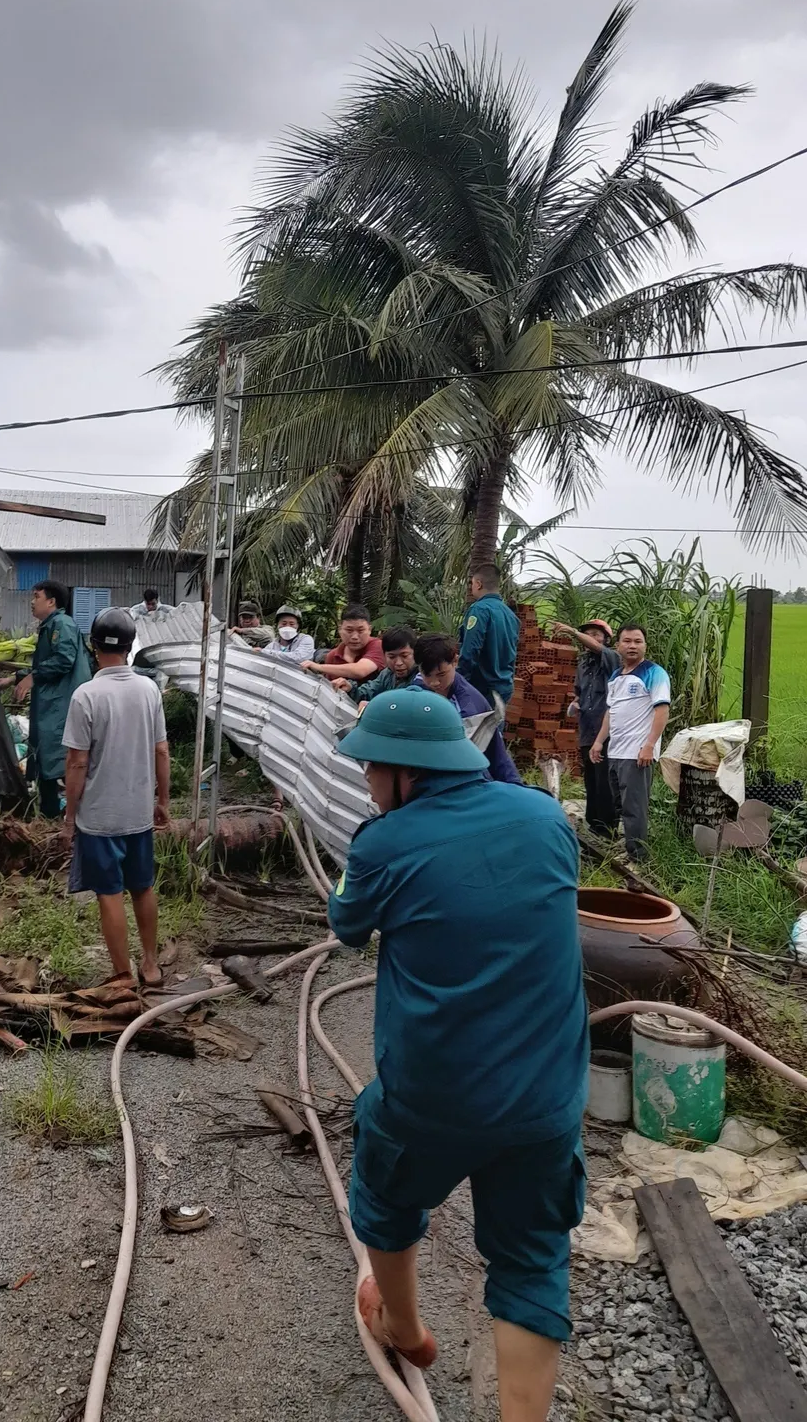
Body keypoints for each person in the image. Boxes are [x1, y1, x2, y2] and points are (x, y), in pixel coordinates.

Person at [328, 691, 587, 1422]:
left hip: (430, 1095)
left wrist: (375, 839)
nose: (367, 781)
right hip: (546, 1102)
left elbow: (346, 925)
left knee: (384, 1187)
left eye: (371, 768)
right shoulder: (544, 817)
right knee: (533, 1255)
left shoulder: (382, 843)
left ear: (403, 771)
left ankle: (403, 1326)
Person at [63, 607, 169, 988]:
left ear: (93, 647)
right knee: (142, 886)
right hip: (138, 812)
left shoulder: (86, 695)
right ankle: (152, 965)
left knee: (109, 893)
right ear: (129, 646)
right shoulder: (149, 689)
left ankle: (122, 974)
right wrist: (163, 802)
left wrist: (70, 814)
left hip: (98, 817)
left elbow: (76, 762)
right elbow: (161, 751)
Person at [590, 624, 670, 861]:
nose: (632, 646)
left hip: (637, 753)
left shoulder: (654, 673)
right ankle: (629, 847)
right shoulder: (616, 677)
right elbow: (610, 712)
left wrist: (649, 745)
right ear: (618, 646)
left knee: (635, 808)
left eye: (637, 641)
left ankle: (639, 859)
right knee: (620, 805)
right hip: (616, 752)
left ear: (645, 645)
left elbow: (662, 710)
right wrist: (598, 742)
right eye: (627, 641)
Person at [19, 581, 92, 818]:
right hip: (51, 703)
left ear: (51, 601)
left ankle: (76, 814)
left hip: (61, 704)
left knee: (58, 758)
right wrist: (15, 679)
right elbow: (44, 663)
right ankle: (50, 813)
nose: (32, 601)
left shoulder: (62, 624)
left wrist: (33, 677)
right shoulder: (51, 626)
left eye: (36, 596)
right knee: (46, 757)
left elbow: (63, 659)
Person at [412, 632, 521, 785]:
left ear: (455, 661)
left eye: (441, 674)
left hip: (486, 773)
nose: (434, 682)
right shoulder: (419, 683)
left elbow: (468, 762)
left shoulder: (469, 708)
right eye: (427, 675)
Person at [552, 619, 621, 837]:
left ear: (606, 639)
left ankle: (608, 827)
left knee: (604, 778)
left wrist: (572, 630)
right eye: (588, 633)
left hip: (606, 729)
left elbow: (597, 648)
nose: (591, 637)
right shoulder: (583, 664)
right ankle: (594, 823)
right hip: (587, 728)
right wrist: (575, 703)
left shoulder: (611, 658)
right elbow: (579, 692)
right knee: (590, 777)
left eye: (596, 634)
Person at [458, 563, 520, 710]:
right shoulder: (511, 615)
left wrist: (458, 682)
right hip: (504, 686)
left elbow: (470, 651)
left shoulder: (479, 610)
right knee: (495, 731)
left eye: (472, 583)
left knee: (476, 731)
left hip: (482, 689)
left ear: (478, 584)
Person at [302, 603, 385, 685]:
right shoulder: (332, 656)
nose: (355, 637)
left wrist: (319, 667)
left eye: (360, 631)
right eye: (349, 630)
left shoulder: (378, 645)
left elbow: (361, 670)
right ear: (340, 629)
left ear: (369, 629)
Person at [349, 626, 417, 703]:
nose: (398, 663)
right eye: (392, 657)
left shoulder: (422, 677)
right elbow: (366, 693)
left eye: (404, 656)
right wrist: (350, 689)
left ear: (416, 653)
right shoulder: (386, 674)